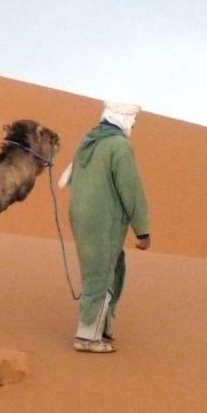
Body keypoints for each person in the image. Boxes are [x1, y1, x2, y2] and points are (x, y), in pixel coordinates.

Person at [60, 101, 150, 353]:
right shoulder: (118, 146)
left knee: (108, 268)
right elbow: (131, 189)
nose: (133, 124)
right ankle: (87, 337)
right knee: (102, 275)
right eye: (133, 119)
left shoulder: (88, 140)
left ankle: (104, 326)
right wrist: (142, 229)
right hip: (104, 220)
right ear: (123, 117)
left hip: (81, 217)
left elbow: (70, 175)